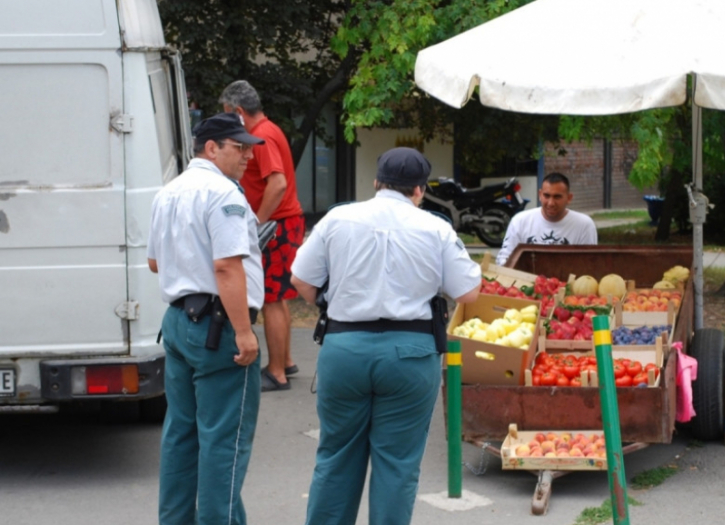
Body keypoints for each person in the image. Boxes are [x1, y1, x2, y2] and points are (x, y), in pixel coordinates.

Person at [290, 147, 481, 525]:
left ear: (376, 182)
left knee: (336, 456)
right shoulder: (435, 227)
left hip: (344, 347)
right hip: (410, 352)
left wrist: (334, 303)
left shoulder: (338, 218)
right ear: (420, 190)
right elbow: (468, 293)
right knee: (398, 465)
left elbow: (301, 280)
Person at [147, 112, 265, 525]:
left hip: (179, 321)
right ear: (211, 148)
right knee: (224, 442)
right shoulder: (224, 194)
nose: (247, 156)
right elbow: (227, 268)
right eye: (239, 147)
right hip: (217, 326)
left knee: (181, 434)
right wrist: (244, 332)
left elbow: (153, 262)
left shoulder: (169, 192)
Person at [220, 80, 305, 392]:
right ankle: (286, 360)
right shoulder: (270, 130)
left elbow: (278, 183)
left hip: (278, 226)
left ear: (239, 112)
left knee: (270, 299)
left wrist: (257, 224)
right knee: (278, 297)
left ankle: (277, 371)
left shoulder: (263, 136)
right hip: (285, 223)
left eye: (228, 114)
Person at [495, 172, 598, 265]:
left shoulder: (584, 225)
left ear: (569, 198)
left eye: (557, 197)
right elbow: (504, 260)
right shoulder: (519, 221)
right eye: (546, 196)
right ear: (540, 195)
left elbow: (589, 265)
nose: (551, 203)